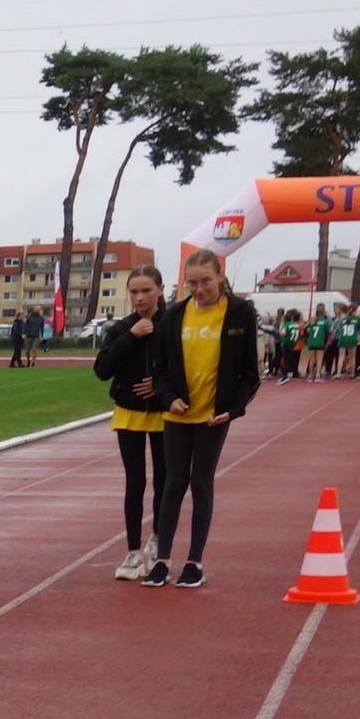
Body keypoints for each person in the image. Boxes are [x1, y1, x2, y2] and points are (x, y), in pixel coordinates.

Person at [143, 248, 258, 589]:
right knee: (173, 483)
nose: (199, 289)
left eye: (205, 281)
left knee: (201, 482)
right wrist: (169, 397)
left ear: (220, 276)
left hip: (213, 416)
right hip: (177, 414)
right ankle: (162, 561)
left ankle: (194, 562)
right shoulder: (175, 315)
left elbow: (250, 375)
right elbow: (159, 370)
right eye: (191, 283)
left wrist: (233, 409)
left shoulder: (239, 313)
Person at [95, 266, 169, 581]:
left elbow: (187, 366)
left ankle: (159, 539)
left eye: (146, 291)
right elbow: (102, 370)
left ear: (160, 289)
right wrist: (131, 336)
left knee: (165, 480)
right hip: (129, 411)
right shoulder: (121, 328)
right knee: (135, 481)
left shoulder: (173, 323)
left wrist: (161, 385)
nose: (140, 298)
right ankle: (133, 551)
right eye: (134, 292)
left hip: (166, 412)